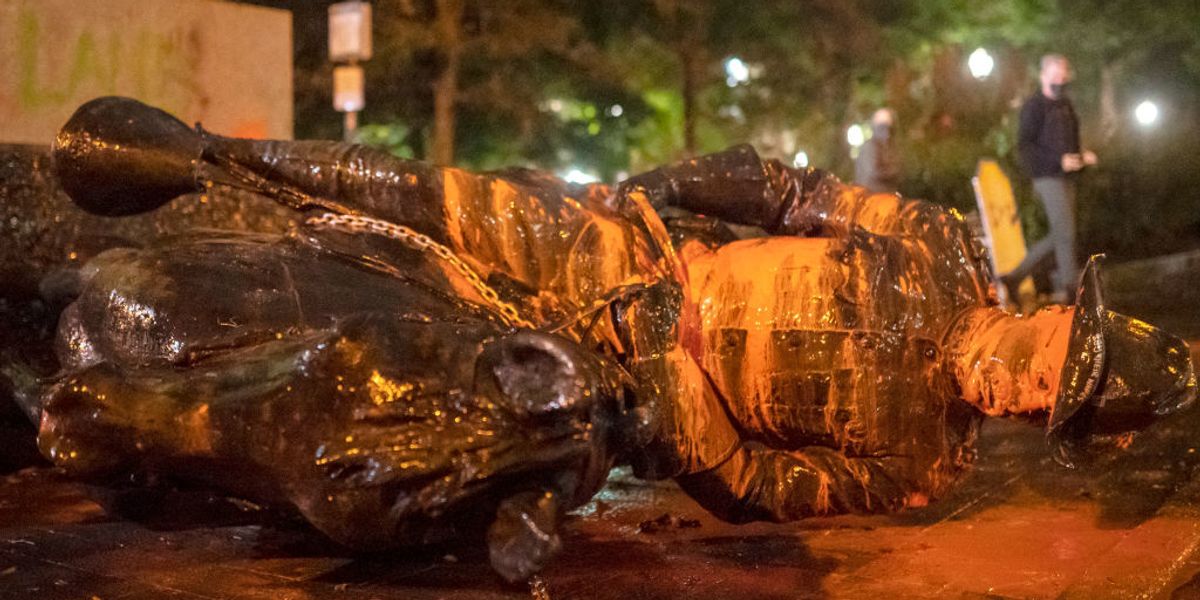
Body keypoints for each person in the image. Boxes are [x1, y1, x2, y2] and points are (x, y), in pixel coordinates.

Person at [1006, 54, 1097, 302]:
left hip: (1067, 176)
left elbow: (1072, 139)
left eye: (1064, 75)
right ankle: (1071, 292)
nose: (1060, 79)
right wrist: (1057, 161)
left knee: (1063, 232)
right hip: (1046, 176)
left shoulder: (1066, 105)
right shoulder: (1034, 106)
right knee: (1065, 232)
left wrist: (1081, 156)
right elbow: (1025, 146)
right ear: (1043, 75)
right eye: (1055, 75)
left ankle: (1014, 276)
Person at [854, 108, 902, 194]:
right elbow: (874, 172)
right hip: (871, 198)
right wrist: (893, 172)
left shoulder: (888, 146)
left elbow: (899, 167)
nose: (887, 131)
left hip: (885, 197)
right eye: (883, 126)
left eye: (889, 126)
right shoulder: (870, 146)